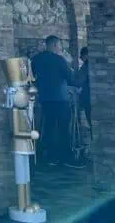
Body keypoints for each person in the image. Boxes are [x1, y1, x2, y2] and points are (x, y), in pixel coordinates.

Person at [31, 35, 77, 168]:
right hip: (60, 98)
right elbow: (70, 79)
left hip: (45, 99)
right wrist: (68, 62)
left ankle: (49, 157)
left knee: (48, 128)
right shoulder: (59, 60)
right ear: (55, 45)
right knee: (63, 128)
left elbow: (32, 78)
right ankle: (66, 158)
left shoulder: (36, 59)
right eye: (60, 46)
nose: (61, 49)